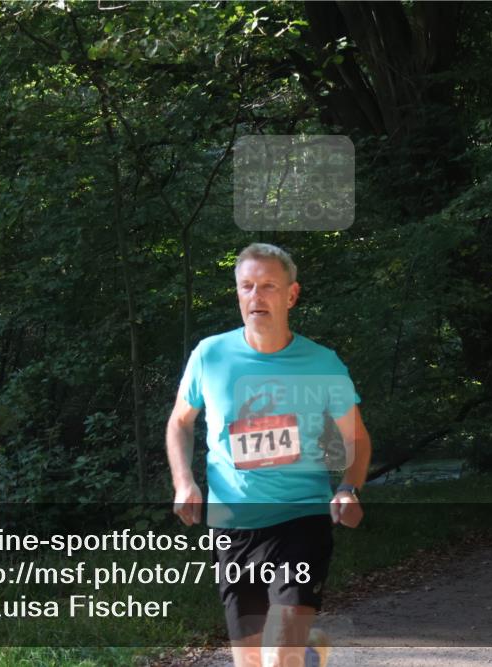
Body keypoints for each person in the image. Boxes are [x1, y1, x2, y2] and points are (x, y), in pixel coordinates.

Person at [166, 242, 372, 667]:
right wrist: (184, 481)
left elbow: (357, 438)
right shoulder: (211, 355)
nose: (256, 297)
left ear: (291, 295)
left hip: (301, 520)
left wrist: (349, 487)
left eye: (268, 286)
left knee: (280, 656)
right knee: (252, 662)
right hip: (233, 527)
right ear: (238, 293)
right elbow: (180, 422)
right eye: (247, 287)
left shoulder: (321, 363)